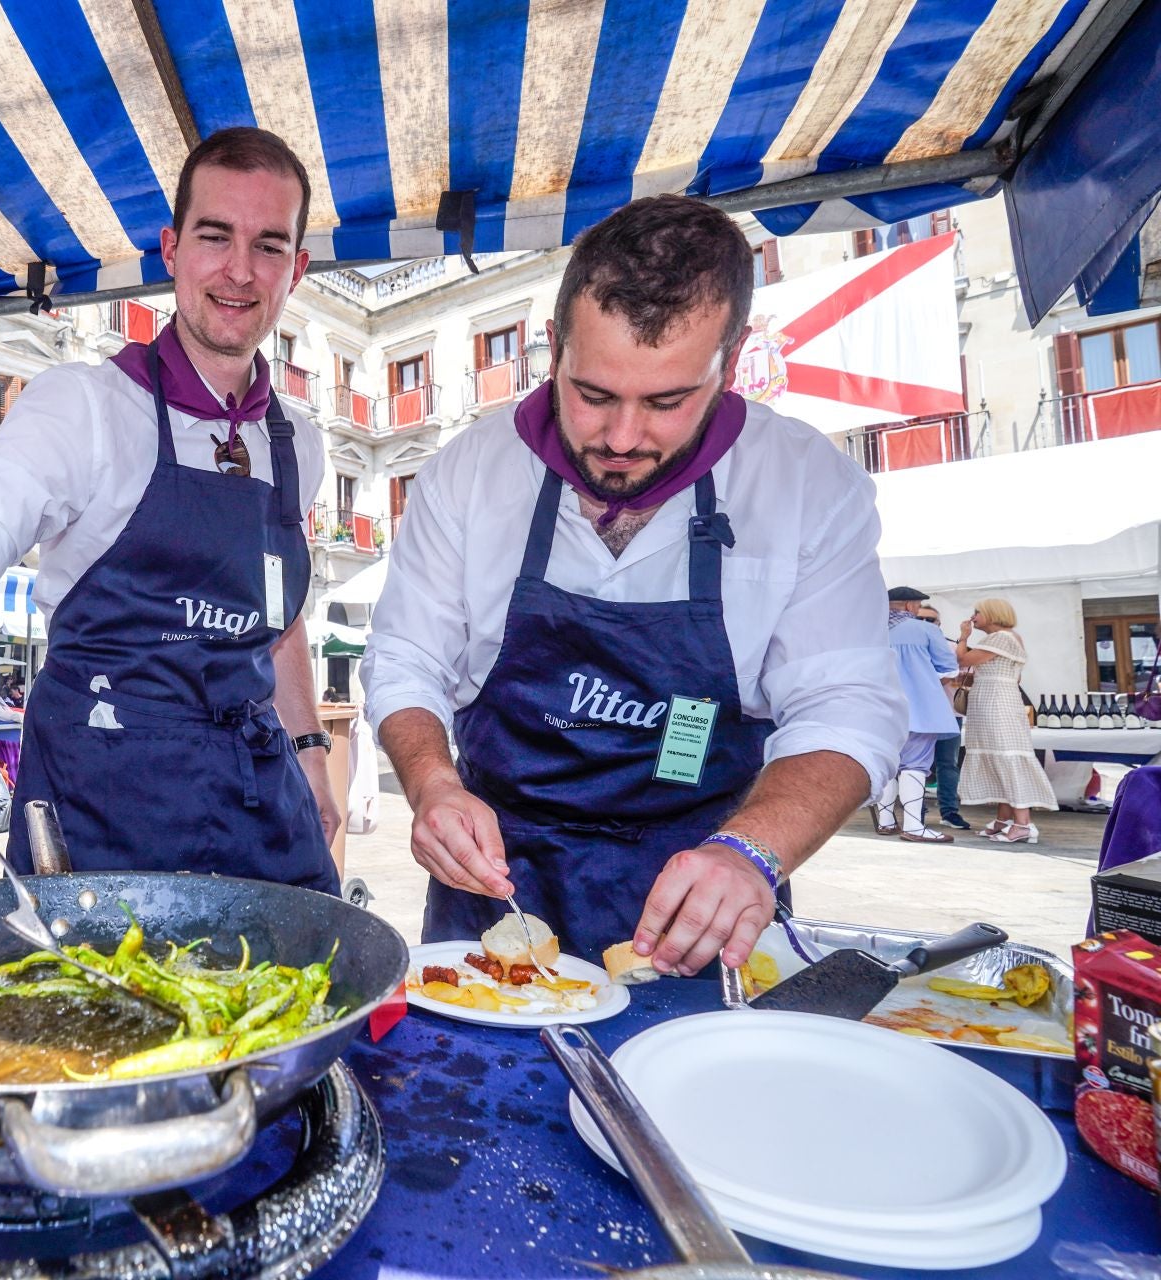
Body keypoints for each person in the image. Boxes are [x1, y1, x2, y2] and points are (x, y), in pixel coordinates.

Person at [360, 195, 904, 970]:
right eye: (593, 394)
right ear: (554, 348)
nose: (621, 439)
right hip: (496, 885)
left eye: (666, 401)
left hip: (700, 894)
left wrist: (753, 853)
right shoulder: (468, 474)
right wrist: (432, 784)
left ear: (733, 355)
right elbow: (407, 658)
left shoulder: (807, 485)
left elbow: (847, 708)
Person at [0, 127, 340, 893]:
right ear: (170, 249)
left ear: (296, 269)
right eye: (215, 237)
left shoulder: (299, 440)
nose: (240, 271)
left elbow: (278, 618)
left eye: (269, 246)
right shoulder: (83, 408)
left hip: (260, 815)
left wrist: (311, 756)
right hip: (102, 815)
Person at [955, 597, 1056, 842]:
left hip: (997, 705)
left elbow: (964, 659)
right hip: (993, 702)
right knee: (998, 759)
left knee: (1006, 757)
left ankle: (1023, 824)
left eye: (977, 612)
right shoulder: (1006, 639)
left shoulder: (1001, 637)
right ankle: (1004, 820)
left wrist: (963, 637)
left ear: (991, 614)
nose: (973, 616)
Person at [874, 587, 958, 843]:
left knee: (889, 765)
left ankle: (886, 821)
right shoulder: (926, 630)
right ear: (911, 606)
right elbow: (949, 667)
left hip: (879, 708)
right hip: (920, 706)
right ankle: (913, 825)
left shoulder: (871, 631)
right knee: (915, 765)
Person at [914, 603, 970, 829]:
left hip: (948, 712)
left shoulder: (952, 647)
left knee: (948, 764)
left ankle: (949, 811)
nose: (926, 624)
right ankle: (914, 810)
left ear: (939, 624)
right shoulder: (905, 646)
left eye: (931, 620)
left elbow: (967, 674)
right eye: (921, 620)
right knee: (914, 764)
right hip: (916, 714)